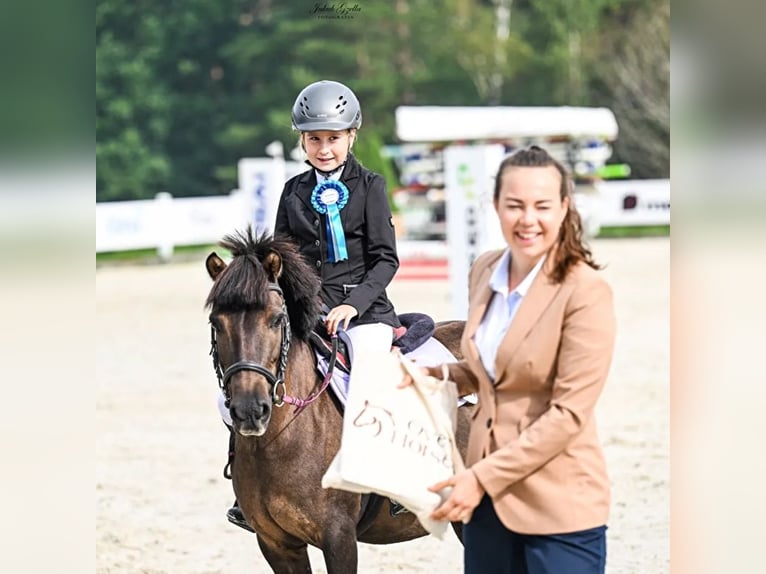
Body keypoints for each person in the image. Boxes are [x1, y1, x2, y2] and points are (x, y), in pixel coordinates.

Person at [401, 145, 616, 573]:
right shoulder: (485, 270)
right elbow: (491, 373)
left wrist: (478, 479)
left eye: (541, 206)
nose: (527, 219)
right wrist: (432, 375)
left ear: (564, 208)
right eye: (514, 205)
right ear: (496, 206)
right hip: (486, 508)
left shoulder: (585, 291)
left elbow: (568, 414)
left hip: (558, 506)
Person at [226, 79, 403, 531]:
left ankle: (389, 483)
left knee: (368, 377)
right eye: (314, 139)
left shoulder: (371, 187)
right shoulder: (293, 191)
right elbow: (279, 261)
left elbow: (386, 260)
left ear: (352, 136)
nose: (323, 149)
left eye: (333, 138)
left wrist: (354, 306)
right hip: (307, 312)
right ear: (302, 139)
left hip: (365, 312)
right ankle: (246, 488)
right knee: (245, 375)